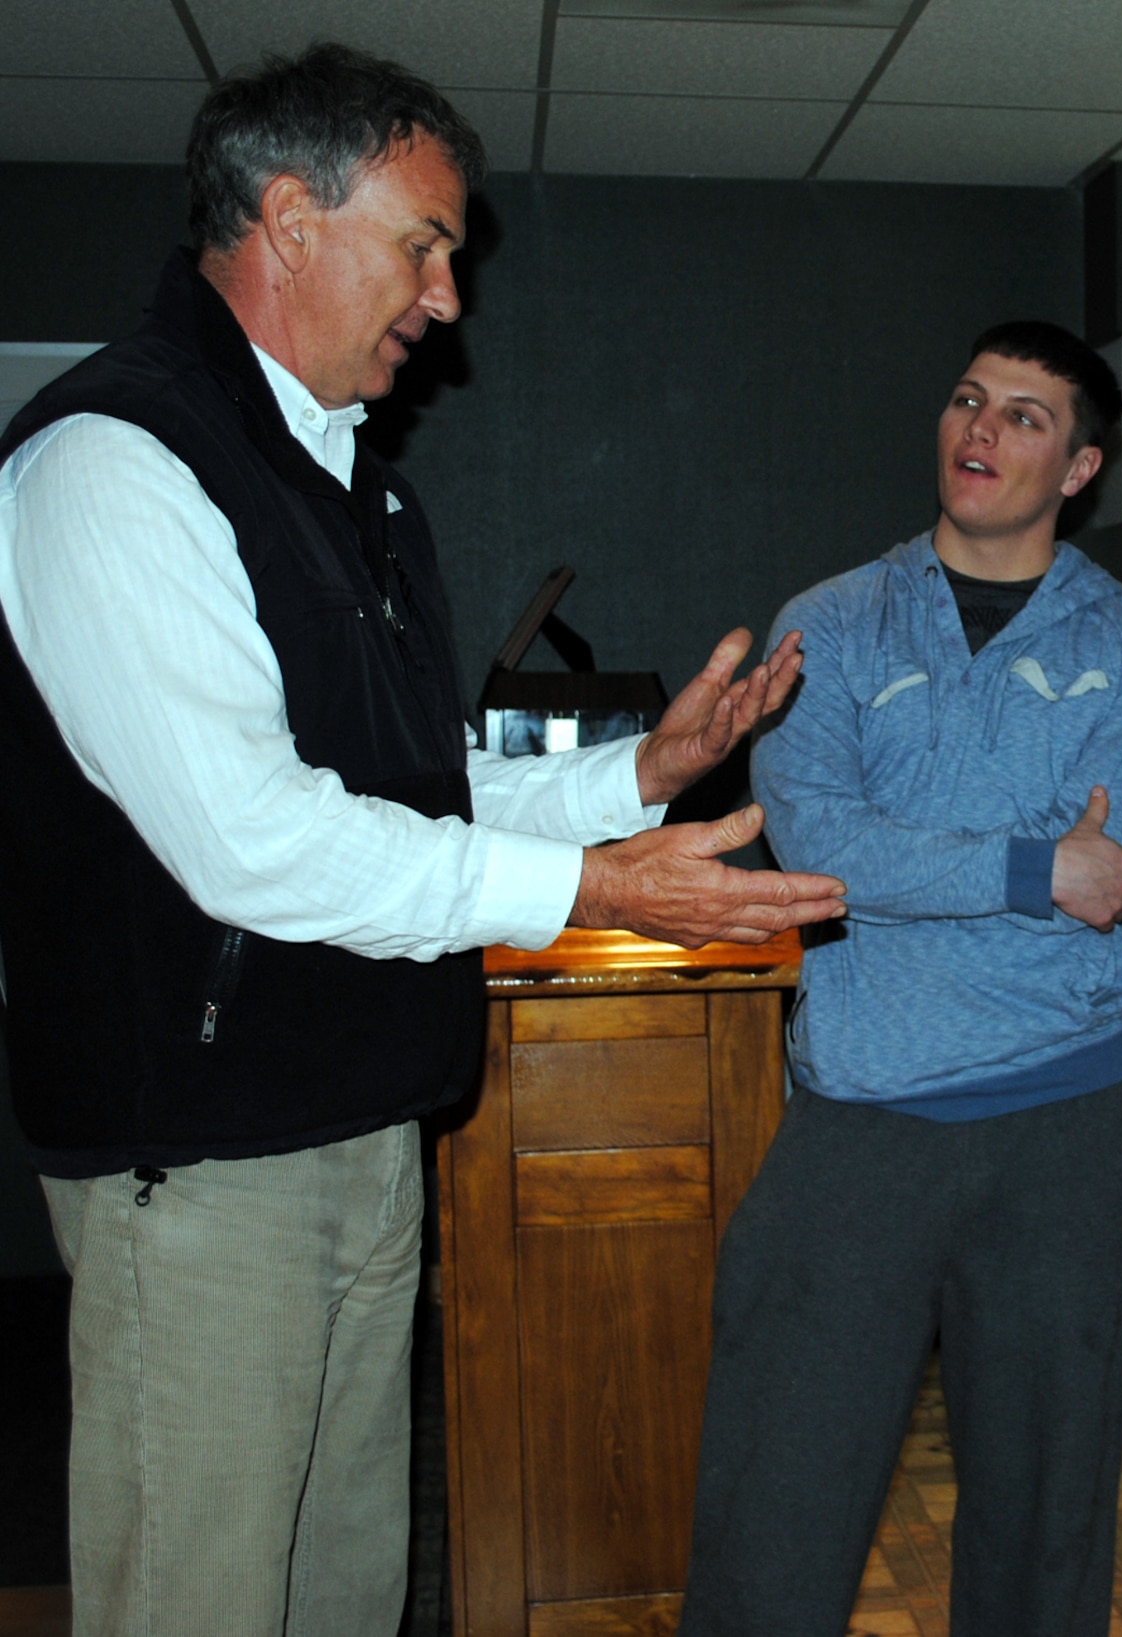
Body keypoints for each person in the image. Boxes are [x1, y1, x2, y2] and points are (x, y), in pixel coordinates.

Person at [0, 43, 845, 1637]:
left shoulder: (352, 493)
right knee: (201, 1598)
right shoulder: (114, 464)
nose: (447, 298)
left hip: (361, 1137)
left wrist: (633, 775)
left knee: (340, 1596)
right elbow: (256, 840)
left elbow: (409, 785)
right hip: (199, 1169)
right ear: (290, 218)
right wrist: (594, 886)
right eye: (427, 244)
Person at [676, 320, 1122, 1637]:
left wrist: (940, 860)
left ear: (1080, 467)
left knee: (1043, 1520)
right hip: (858, 1123)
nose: (983, 429)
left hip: (1064, 1126)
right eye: (970, 399)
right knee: (773, 1511)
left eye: (1027, 416)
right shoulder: (831, 625)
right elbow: (822, 846)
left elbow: (1112, 868)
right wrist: (1034, 868)